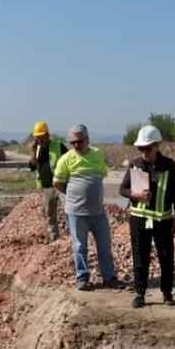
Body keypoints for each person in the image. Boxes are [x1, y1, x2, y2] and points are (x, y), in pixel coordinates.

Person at [120, 125, 175, 308]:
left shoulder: (169, 166)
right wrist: (136, 195)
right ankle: (140, 293)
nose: (144, 152)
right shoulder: (135, 164)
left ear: (156, 146)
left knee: (166, 256)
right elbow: (122, 189)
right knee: (140, 257)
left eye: (147, 148)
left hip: (163, 220)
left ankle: (167, 292)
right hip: (139, 219)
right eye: (141, 148)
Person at [54, 124, 121, 291]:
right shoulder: (65, 159)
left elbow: (100, 176)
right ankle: (82, 278)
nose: (77, 145)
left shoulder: (98, 155)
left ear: (87, 140)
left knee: (105, 245)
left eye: (80, 141)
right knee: (79, 246)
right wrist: (73, 195)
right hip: (76, 213)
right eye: (73, 142)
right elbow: (58, 183)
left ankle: (109, 277)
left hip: (98, 211)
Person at [27, 120, 66, 242]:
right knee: (50, 215)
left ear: (48, 135)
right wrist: (33, 152)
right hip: (47, 187)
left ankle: (72, 238)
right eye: (37, 138)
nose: (40, 140)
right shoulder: (37, 150)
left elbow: (70, 160)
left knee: (69, 210)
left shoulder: (58, 146)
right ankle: (55, 239)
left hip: (61, 185)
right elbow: (32, 167)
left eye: (42, 137)